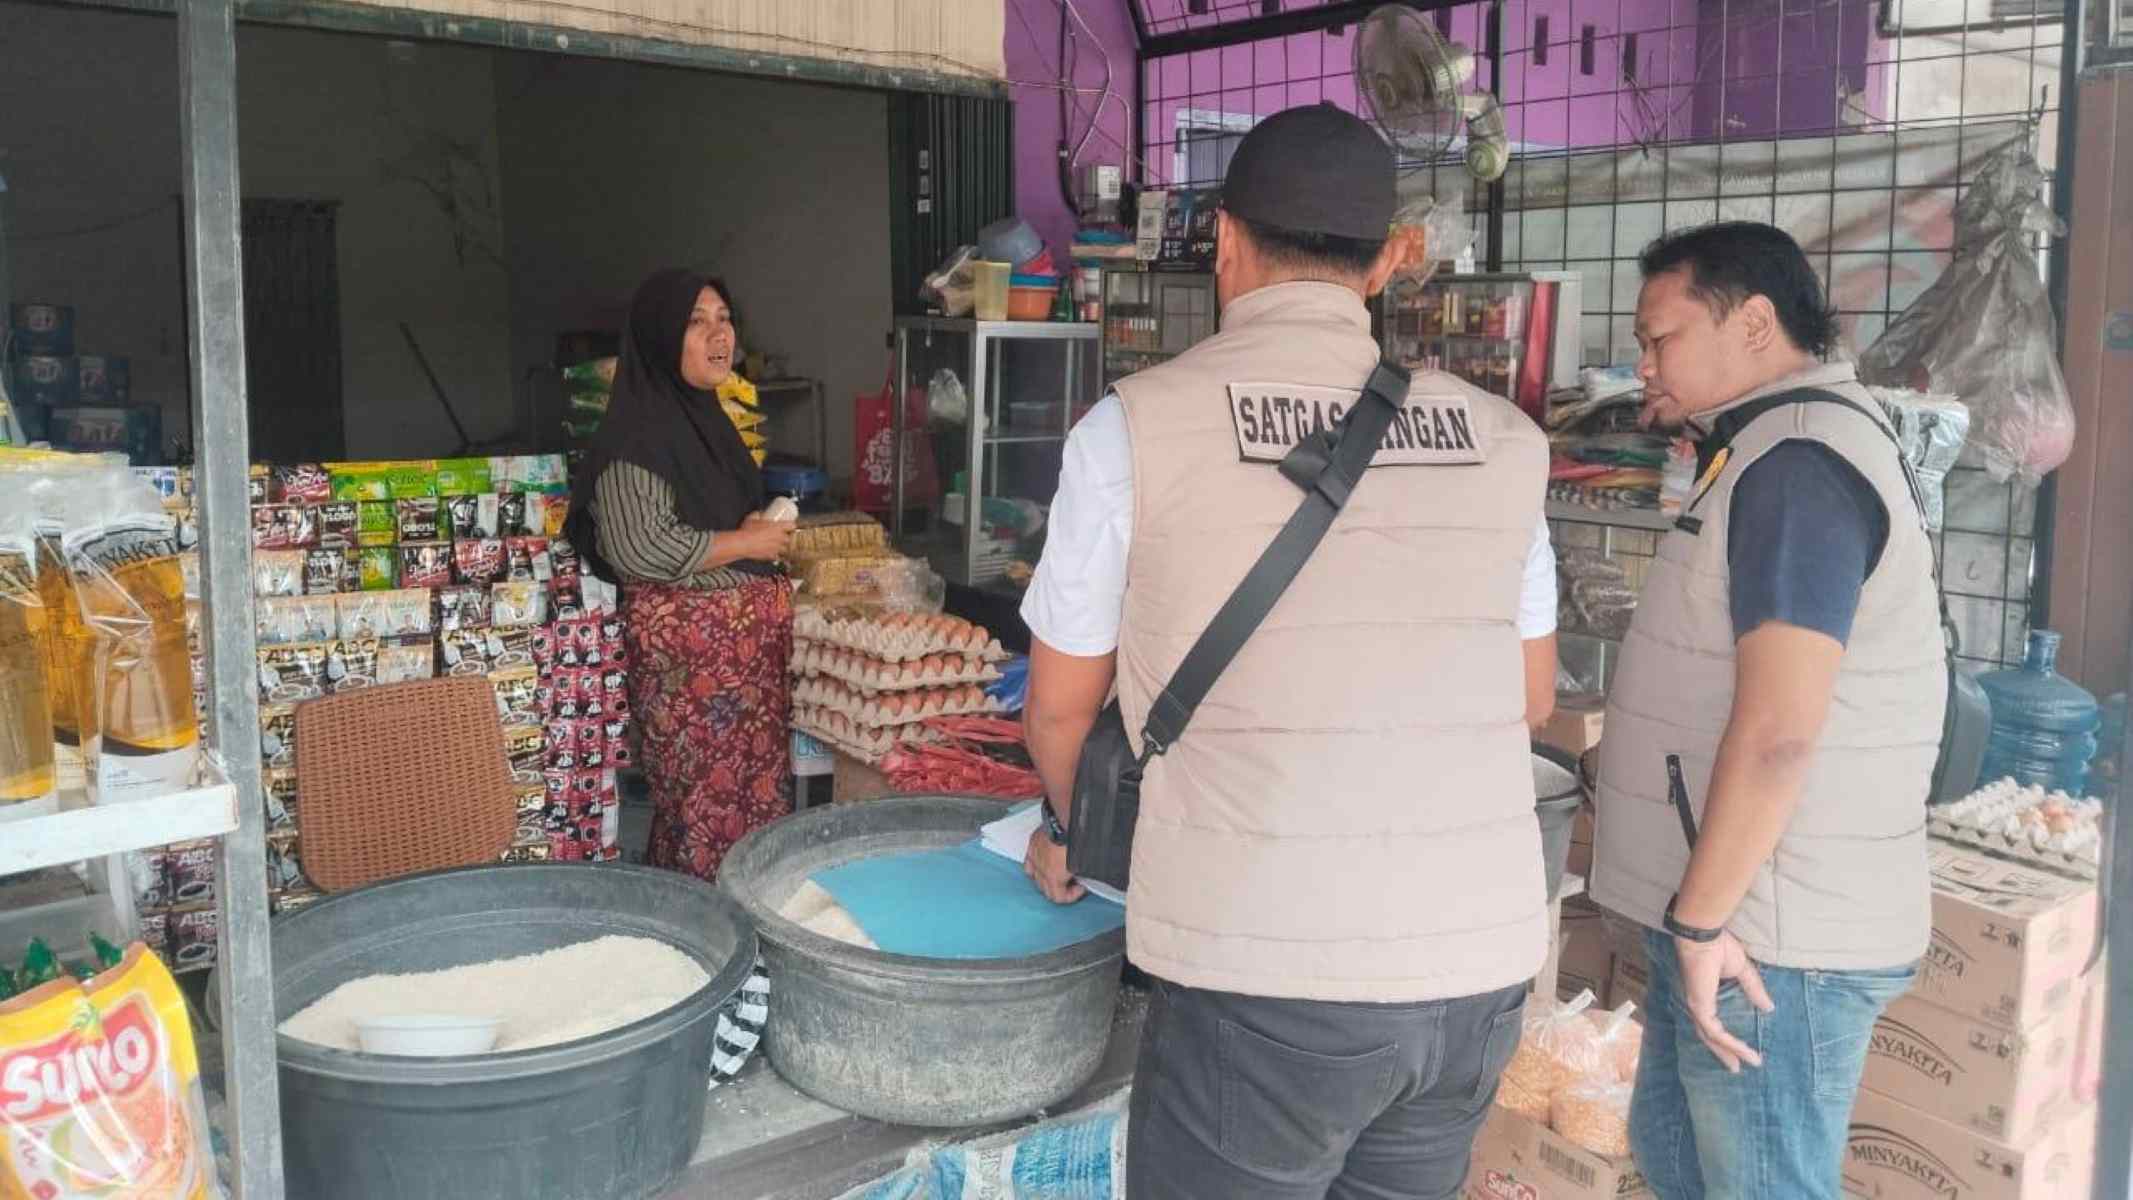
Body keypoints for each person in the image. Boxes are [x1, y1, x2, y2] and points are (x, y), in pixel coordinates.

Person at [1015, 104, 1561, 1200]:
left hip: (1265, 973)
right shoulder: (1507, 442)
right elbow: (1528, 699)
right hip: (1481, 968)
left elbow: (1061, 712)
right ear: (1387, 261)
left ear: (1223, 239)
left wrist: (1083, 836)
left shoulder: (1133, 428)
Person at [1588, 222, 1945, 1199]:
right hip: (1737, 923)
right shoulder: (1763, 452)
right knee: (1681, 1168)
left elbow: (1783, 729)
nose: (1641, 362)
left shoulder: (1796, 466)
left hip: (1771, 946)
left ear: (1752, 325)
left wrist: (1702, 925)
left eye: (1659, 338)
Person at [564, 268, 798, 881]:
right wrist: (746, 540)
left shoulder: (707, 422)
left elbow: (709, 515)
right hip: (692, 670)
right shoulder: (636, 438)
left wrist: (746, 528)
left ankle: (751, 920)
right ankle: (705, 934)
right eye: (696, 322)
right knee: (702, 808)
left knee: (755, 802)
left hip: (743, 668)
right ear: (661, 336)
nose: (717, 334)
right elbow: (640, 546)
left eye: (723, 318)